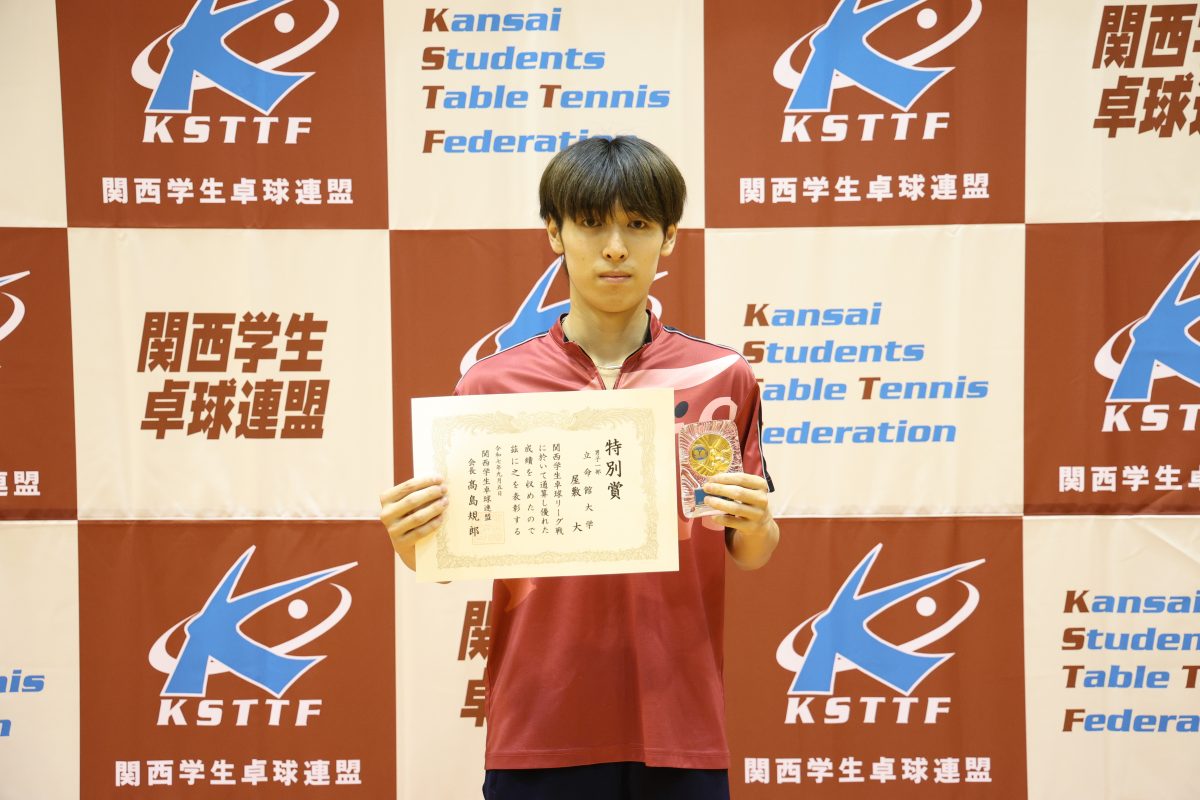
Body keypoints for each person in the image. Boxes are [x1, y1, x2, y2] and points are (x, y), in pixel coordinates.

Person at [380, 136, 779, 800]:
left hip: (680, 722)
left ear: (669, 237)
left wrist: (759, 521)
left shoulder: (722, 376)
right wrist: (410, 535)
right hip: (539, 724)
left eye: (638, 224)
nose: (615, 247)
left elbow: (749, 549)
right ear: (554, 233)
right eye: (592, 224)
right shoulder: (489, 385)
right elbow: (440, 561)